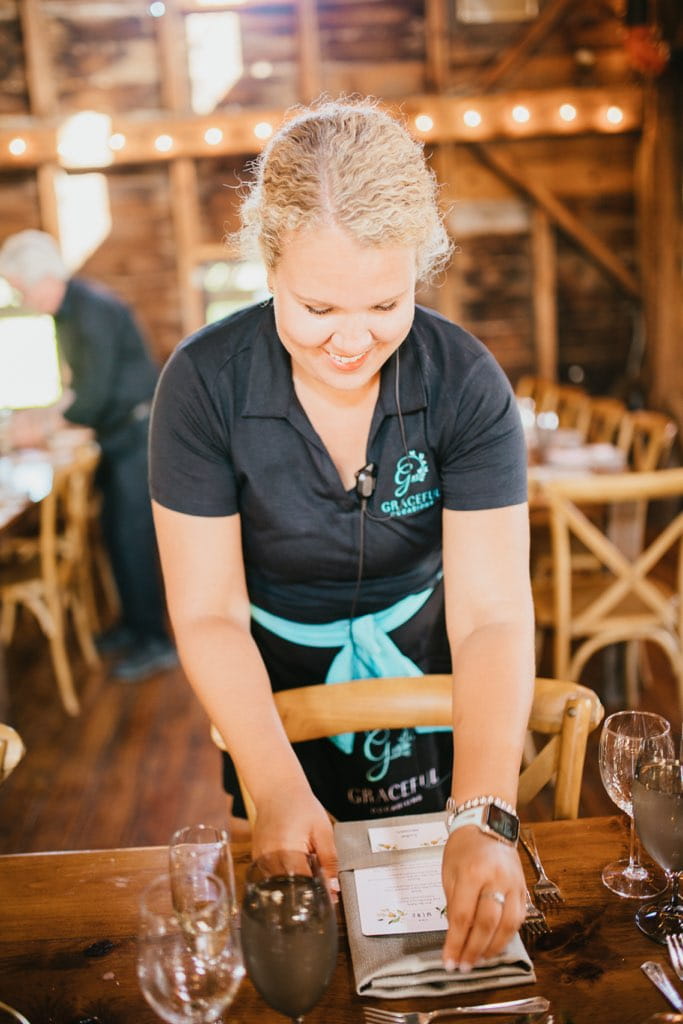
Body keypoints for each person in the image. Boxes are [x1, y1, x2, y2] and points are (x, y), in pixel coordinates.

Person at [149, 97, 535, 972]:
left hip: (432, 677)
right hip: (269, 691)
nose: (353, 341)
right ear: (267, 266)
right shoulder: (202, 385)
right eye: (317, 307)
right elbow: (208, 612)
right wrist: (273, 784)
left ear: (419, 269)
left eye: (386, 303)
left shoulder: (465, 382)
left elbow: (490, 614)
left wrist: (482, 814)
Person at [0, 230, 177, 683]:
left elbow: (93, 396)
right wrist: (47, 418)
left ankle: (154, 641)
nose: (20, 298)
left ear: (42, 279)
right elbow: (79, 389)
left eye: (19, 288)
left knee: (133, 542)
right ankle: (131, 626)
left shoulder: (92, 310)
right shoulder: (69, 311)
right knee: (116, 538)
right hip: (117, 437)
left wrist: (40, 428)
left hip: (136, 435)